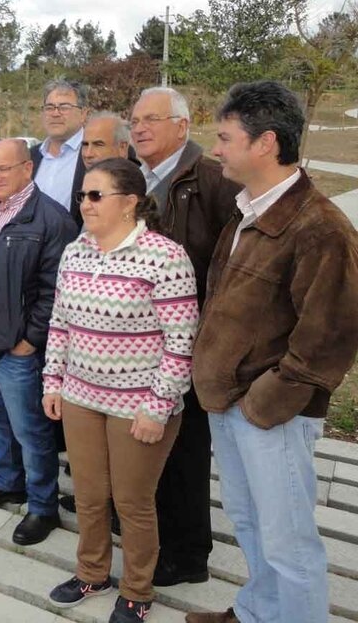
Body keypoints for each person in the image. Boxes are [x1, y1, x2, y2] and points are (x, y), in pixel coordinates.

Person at [186, 81, 358, 623]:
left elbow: (330, 335)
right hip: (231, 403)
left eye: (225, 137)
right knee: (249, 521)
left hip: (270, 414)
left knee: (289, 543)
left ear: (265, 143)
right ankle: (258, 612)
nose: (216, 149)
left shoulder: (319, 226)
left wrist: (265, 403)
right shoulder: (246, 210)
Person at [43, 158, 198, 623]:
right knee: (89, 495)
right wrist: (53, 381)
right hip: (80, 398)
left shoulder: (165, 257)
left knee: (132, 502)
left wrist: (158, 407)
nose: (85, 204)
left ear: (130, 202)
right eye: (82, 195)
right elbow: (60, 323)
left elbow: (181, 340)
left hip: (139, 406)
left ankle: (137, 591)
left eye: (96, 195)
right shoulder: (76, 251)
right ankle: (92, 572)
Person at [130, 86, 239, 587]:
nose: (139, 127)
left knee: (186, 450)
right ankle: (158, 537)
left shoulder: (211, 178)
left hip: (189, 340)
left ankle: (189, 554)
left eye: (152, 118)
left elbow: (231, 263)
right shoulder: (135, 178)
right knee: (153, 446)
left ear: (182, 124)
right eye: (134, 120)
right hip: (139, 341)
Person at [0, 138, 77, 546]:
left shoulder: (51, 220)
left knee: (31, 430)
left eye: (3, 169)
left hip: (17, 348)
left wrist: (30, 340)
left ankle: (42, 506)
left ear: (28, 169)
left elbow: (56, 291)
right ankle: (7, 481)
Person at [31, 79, 89, 227]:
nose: (55, 113)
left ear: (83, 113)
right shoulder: (29, 157)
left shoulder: (97, 154)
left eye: (64, 107)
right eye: (49, 107)